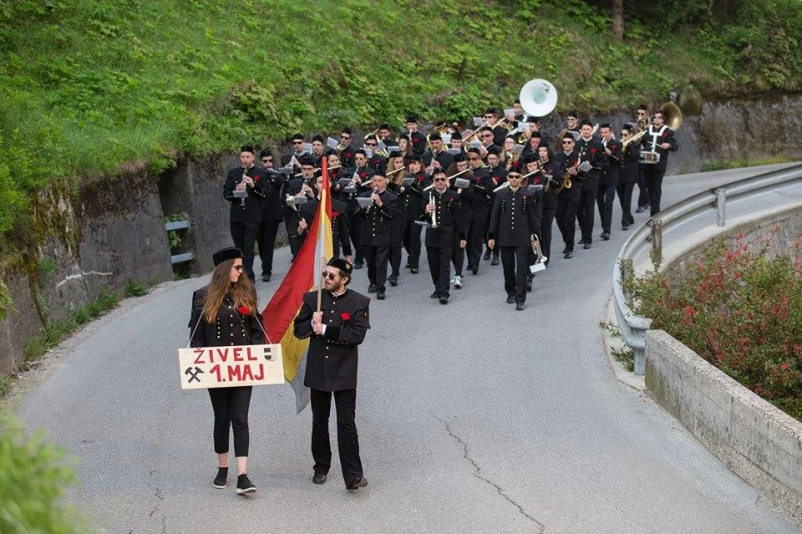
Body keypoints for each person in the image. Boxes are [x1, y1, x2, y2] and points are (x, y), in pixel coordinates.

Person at [188, 247, 263, 495]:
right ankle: (223, 467)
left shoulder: (247, 291)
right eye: (237, 267)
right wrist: (196, 360)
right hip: (216, 367)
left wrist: (259, 352)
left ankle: (243, 475)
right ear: (224, 269)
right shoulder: (201, 296)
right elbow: (196, 336)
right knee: (223, 419)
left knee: (241, 419)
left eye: (242, 267)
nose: (242, 272)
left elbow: (257, 328)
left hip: (243, 367)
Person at [294, 258, 371, 491]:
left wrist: (326, 329)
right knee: (319, 421)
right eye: (325, 274)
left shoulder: (359, 302)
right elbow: (297, 331)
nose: (326, 279)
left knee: (346, 423)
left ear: (344, 279)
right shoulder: (312, 299)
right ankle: (321, 466)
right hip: (318, 370)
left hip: (344, 372)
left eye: (331, 276)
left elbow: (357, 335)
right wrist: (311, 323)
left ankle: (353, 475)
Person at [487, 170, 541, 311]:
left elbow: (533, 216)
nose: (514, 179)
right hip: (505, 236)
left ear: (521, 178)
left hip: (522, 235)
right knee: (508, 266)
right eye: (511, 177)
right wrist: (491, 236)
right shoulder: (500, 194)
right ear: (508, 178)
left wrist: (536, 236)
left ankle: (520, 298)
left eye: (517, 177)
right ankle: (510, 291)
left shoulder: (527, 194)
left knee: (522, 267)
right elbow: (494, 216)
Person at [422, 169, 466, 303]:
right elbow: (419, 215)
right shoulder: (427, 195)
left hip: (447, 236)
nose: (440, 182)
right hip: (432, 236)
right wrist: (425, 210)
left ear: (446, 181)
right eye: (437, 180)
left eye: (442, 179)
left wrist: (462, 237)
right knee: (433, 266)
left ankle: (444, 293)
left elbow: (459, 219)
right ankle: (437, 287)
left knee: (444, 266)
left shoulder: (454, 196)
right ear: (433, 182)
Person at [223, 146, 267, 280]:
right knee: (239, 248)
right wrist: (236, 191)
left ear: (253, 157)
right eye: (243, 157)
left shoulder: (261, 173)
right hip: (237, 217)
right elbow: (226, 193)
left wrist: (253, 186)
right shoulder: (234, 173)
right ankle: (241, 273)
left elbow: (265, 194)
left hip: (252, 216)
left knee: (248, 247)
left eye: (248, 157)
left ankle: (248, 275)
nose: (245, 160)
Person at [357, 174, 399, 300]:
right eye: (374, 181)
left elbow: (392, 215)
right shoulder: (365, 195)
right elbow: (355, 215)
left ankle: (381, 288)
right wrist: (362, 207)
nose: (376, 183)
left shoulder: (391, 197)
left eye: (379, 181)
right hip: (367, 235)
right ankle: (373, 282)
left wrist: (380, 203)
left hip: (382, 235)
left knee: (381, 262)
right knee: (371, 262)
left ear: (385, 182)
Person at [574, 120, 607, 249]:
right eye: (583, 129)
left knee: (589, 209)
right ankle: (583, 233)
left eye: (588, 129)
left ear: (591, 130)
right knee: (578, 209)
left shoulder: (598, 144)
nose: (586, 131)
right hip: (578, 180)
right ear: (581, 130)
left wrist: (593, 165)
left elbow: (604, 163)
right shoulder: (577, 144)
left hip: (592, 180)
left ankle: (588, 238)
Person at [640, 110, 678, 215]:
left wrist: (668, 145)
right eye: (655, 117)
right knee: (649, 186)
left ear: (663, 119)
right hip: (647, 161)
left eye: (659, 117)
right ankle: (652, 203)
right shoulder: (647, 130)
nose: (657, 119)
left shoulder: (668, 131)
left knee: (656, 186)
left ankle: (655, 211)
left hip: (659, 163)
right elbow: (642, 141)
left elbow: (675, 146)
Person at [257, 150, 284, 282]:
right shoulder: (257, 174)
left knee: (268, 242)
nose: (268, 164)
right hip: (258, 214)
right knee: (261, 242)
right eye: (265, 161)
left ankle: (266, 269)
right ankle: (265, 264)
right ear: (261, 162)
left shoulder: (276, 174)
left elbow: (280, 182)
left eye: (270, 161)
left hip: (272, 213)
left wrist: (272, 175)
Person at [554, 133, 581, 259]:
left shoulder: (578, 156)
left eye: (569, 142)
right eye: (564, 142)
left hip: (573, 192)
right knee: (559, 219)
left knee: (569, 219)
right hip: (560, 192)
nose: (566, 144)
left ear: (573, 143)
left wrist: (576, 173)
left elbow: (585, 176)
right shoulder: (557, 157)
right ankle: (567, 240)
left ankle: (570, 247)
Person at [597, 123, 621, 241]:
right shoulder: (598, 144)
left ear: (610, 132)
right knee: (600, 204)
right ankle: (604, 226)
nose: (604, 135)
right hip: (600, 178)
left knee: (608, 203)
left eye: (606, 132)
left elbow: (619, 160)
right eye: (602, 132)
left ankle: (607, 230)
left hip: (611, 178)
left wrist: (610, 153)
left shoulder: (617, 144)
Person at [618, 124, 640, 230]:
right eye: (621, 134)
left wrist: (628, 147)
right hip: (619, 175)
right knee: (622, 199)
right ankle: (629, 216)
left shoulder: (635, 144)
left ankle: (625, 221)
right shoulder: (618, 144)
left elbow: (635, 157)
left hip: (630, 175)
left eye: (625, 135)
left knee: (627, 198)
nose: (623, 137)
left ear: (631, 135)